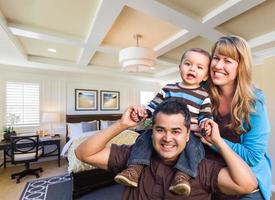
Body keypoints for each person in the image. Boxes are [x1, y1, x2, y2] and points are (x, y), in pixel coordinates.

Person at [75, 100, 257, 200]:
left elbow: (247, 184)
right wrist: (122, 125)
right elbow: (83, 153)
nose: (167, 138)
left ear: (187, 135)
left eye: (176, 131)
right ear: (151, 132)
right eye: (160, 130)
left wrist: (218, 141)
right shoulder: (133, 158)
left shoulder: (202, 168)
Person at [115, 48, 212, 196]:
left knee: (195, 147)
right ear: (180, 67)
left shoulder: (203, 96)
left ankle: (182, 177)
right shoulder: (168, 89)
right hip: (164, 128)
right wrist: (143, 113)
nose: (192, 69)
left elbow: (205, 116)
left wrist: (206, 124)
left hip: (189, 134)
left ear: (205, 76)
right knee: (145, 137)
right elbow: (153, 107)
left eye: (199, 67)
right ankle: (134, 169)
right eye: (188, 64)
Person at [202, 35, 272, 200]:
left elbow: (252, 156)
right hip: (214, 171)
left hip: (248, 178)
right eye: (216, 58)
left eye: (228, 61)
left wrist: (215, 141)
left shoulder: (254, 101)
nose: (218, 65)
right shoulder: (202, 92)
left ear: (241, 67)